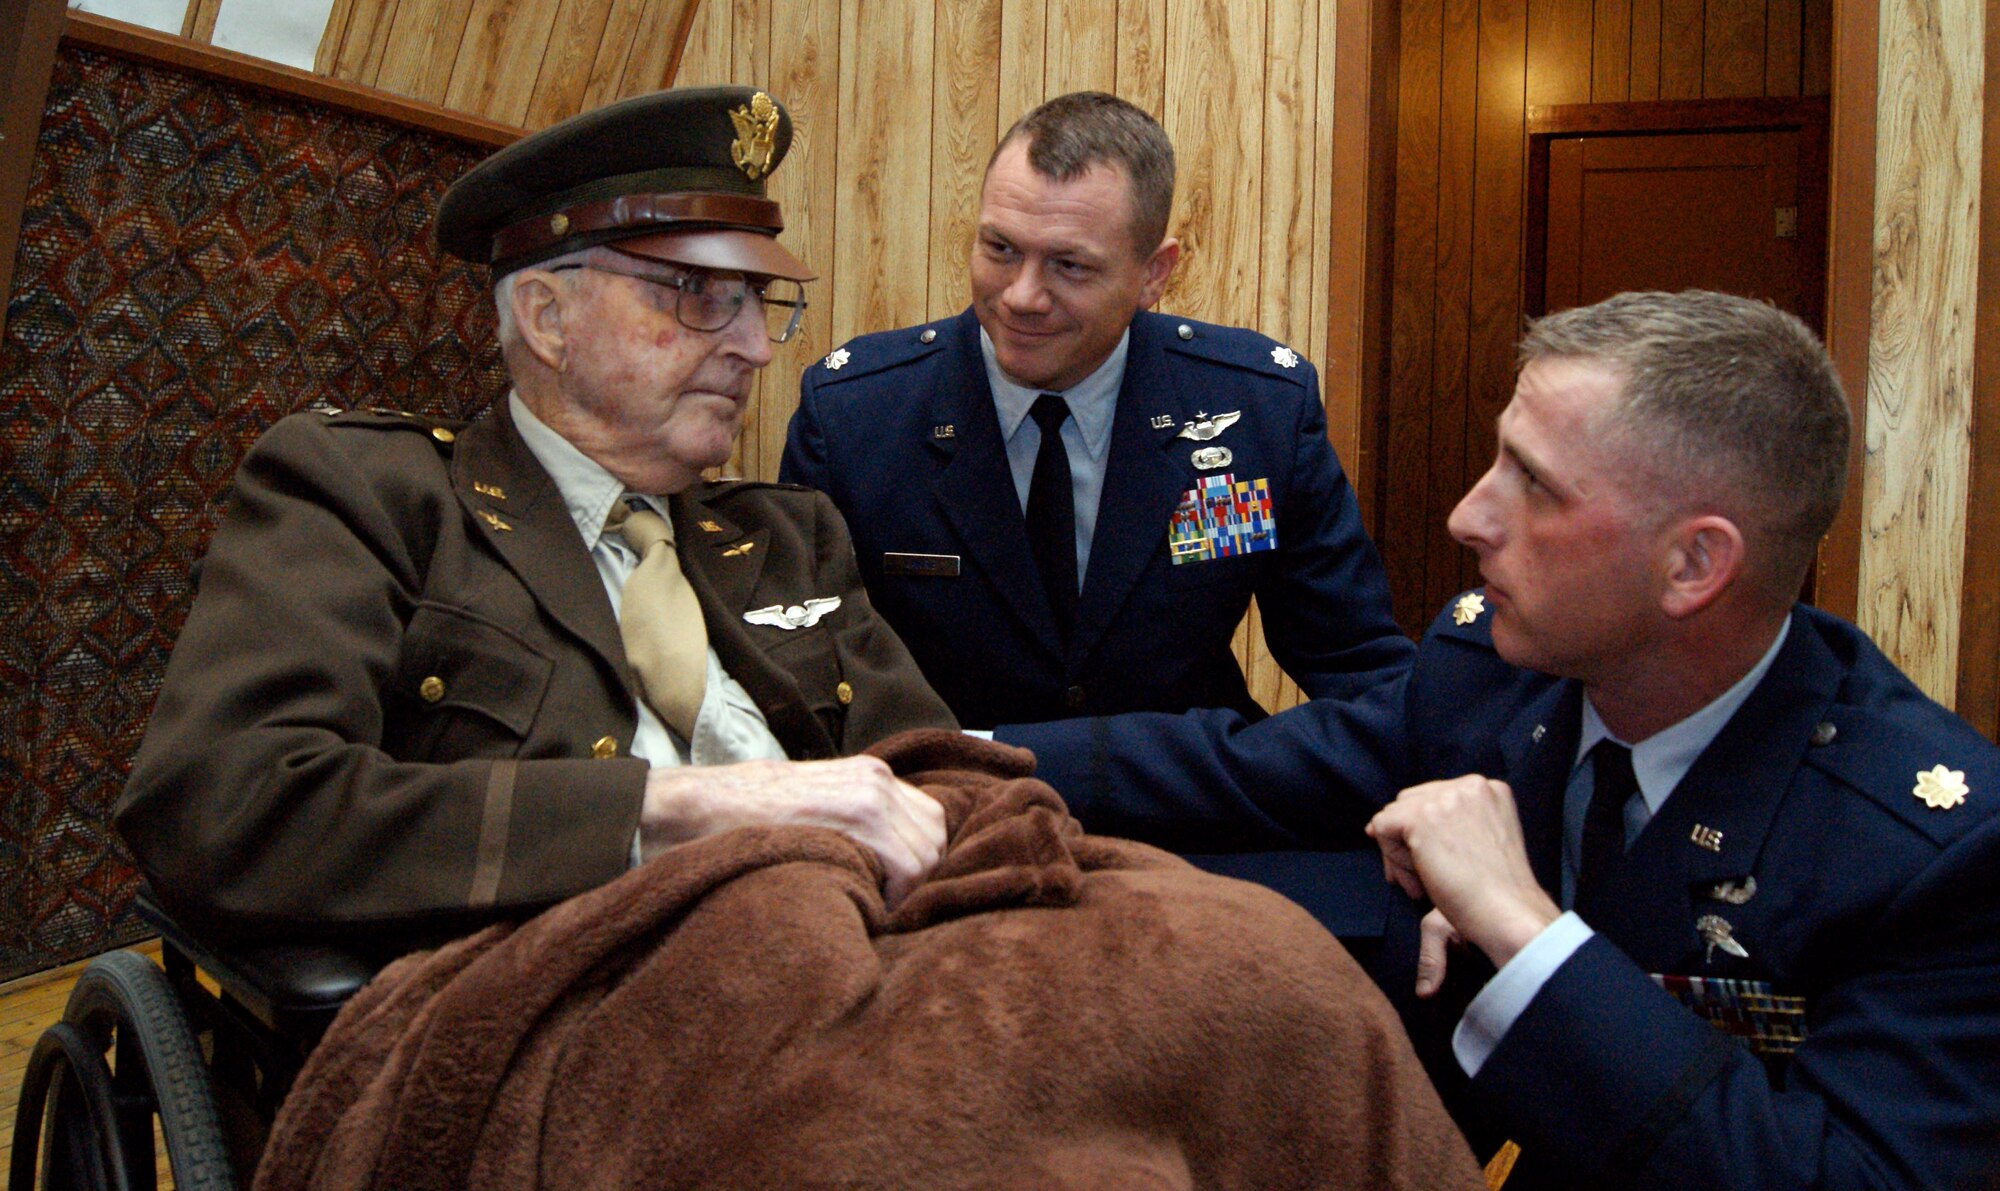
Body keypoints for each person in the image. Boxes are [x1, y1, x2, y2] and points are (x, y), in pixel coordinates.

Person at [1009, 290, 2000, 1188]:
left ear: (1692, 563)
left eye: (1533, 485)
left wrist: (1522, 930)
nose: (1466, 515)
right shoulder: (1490, 669)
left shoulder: (1929, 853)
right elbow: (1242, 771)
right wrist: (948, 756)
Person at [117, 86, 956, 948]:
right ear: (549, 318)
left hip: (866, 946)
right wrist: (670, 811)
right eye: (702, 292)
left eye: (756, 300)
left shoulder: (789, 534)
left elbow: (938, 770)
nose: (750, 345)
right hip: (585, 988)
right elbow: (223, 802)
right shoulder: (376, 496)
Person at [779, 90, 1410, 940]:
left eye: (1070, 266)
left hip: (1187, 836)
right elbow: (805, 701)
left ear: (1156, 271)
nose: (1020, 296)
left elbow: (1365, 671)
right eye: (999, 249)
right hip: (946, 848)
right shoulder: (856, 416)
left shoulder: (1252, 409)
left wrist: (1431, 813)